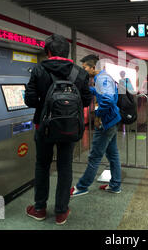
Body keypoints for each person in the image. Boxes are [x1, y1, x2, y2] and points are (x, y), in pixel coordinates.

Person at [24, 34, 92, 225]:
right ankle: (61, 211)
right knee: (65, 166)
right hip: (69, 127)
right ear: (67, 52)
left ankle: (39, 209)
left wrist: (45, 105)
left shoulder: (38, 69)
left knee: (42, 165)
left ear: (48, 51)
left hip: (43, 126)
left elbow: (29, 100)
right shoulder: (79, 72)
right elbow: (86, 100)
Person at [71, 54, 122, 197]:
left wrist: (98, 115)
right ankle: (115, 185)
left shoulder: (102, 79)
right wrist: (89, 90)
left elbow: (107, 100)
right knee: (113, 155)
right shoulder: (102, 77)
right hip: (112, 120)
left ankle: (82, 186)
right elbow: (102, 93)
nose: (84, 70)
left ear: (94, 67)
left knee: (94, 157)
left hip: (106, 123)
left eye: (85, 67)